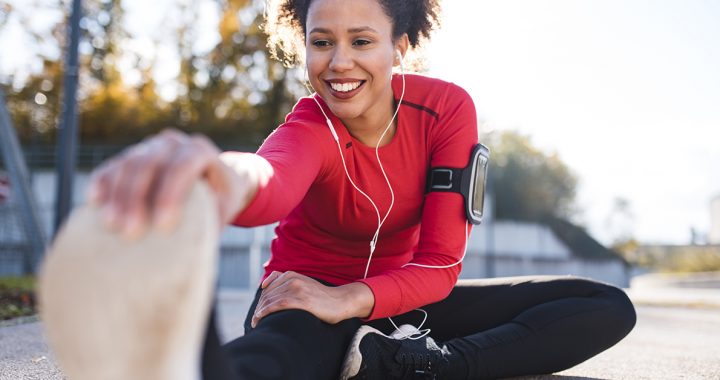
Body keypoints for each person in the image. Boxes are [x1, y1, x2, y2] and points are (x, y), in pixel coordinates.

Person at [40, 0, 636, 379]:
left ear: (399, 46)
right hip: (304, 299)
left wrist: (353, 300)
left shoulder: (446, 109)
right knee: (270, 364)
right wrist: (213, 176)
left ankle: (410, 367)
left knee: (604, 305)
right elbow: (266, 180)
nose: (338, 63)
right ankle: (184, 361)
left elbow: (440, 263)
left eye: (361, 40)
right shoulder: (309, 127)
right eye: (322, 42)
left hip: (400, 305)